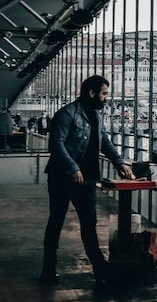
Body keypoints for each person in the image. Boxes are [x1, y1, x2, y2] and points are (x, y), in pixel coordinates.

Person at [40, 75, 133, 285]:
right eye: (104, 94)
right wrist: (72, 167)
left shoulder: (96, 116)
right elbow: (56, 145)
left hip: (87, 178)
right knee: (56, 221)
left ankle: (100, 270)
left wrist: (119, 162)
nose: (106, 98)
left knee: (89, 224)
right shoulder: (66, 114)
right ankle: (48, 270)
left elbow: (104, 141)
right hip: (61, 176)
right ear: (92, 93)